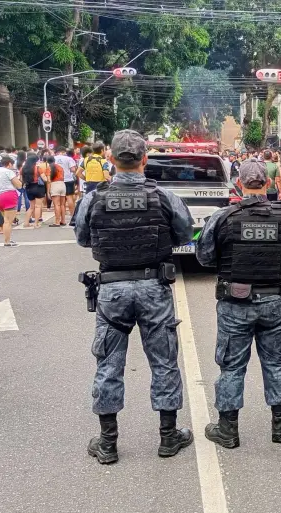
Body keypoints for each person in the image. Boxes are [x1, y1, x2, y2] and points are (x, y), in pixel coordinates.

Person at [75, 130, 196, 464]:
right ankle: (168, 438)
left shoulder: (94, 198)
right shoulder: (163, 196)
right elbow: (186, 234)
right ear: (145, 159)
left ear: (111, 160)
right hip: (154, 287)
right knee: (164, 360)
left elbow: (83, 239)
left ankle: (108, 443)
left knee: (109, 364)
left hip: (112, 290)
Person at [195, 161, 281, 448]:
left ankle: (227, 429)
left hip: (236, 302)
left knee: (232, 366)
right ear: (268, 184)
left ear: (238, 184)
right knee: (276, 362)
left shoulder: (222, 217)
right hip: (275, 301)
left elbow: (204, 257)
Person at [0, 155, 22, 247]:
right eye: (12, 165)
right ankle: (7, 241)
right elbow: (18, 185)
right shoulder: (9, 172)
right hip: (8, 196)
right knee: (8, 221)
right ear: (9, 164)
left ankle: (8, 239)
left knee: (5, 220)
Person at [21, 153, 44, 229]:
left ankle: (26, 223)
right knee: (38, 206)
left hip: (28, 187)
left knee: (31, 207)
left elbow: (21, 180)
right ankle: (36, 223)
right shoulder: (37, 168)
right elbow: (44, 178)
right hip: (38, 187)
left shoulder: (23, 169)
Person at [43, 155, 67, 226]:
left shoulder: (49, 168)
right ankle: (63, 221)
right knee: (62, 205)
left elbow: (48, 181)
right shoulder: (60, 167)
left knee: (56, 205)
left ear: (47, 162)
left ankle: (57, 222)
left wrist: (48, 191)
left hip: (55, 185)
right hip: (62, 184)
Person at [56, 147, 78, 220]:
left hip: (58, 180)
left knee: (61, 200)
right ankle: (73, 215)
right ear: (64, 151)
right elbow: (73, 169)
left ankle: (62, 217)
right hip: (68, 180)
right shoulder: (69, 159)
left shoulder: (54, 158)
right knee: (69, 198)